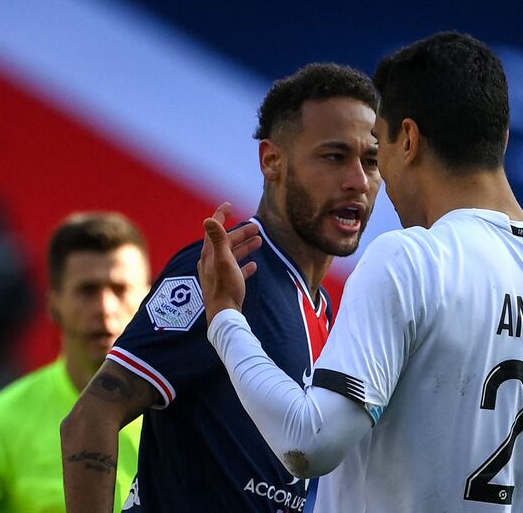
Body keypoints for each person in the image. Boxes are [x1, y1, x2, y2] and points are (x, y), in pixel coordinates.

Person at [200, 31, 523, 513]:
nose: (372, 177)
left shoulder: (413, 260)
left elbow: (309, 443)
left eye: (376, 147)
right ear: (501, 138)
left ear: (408, 139)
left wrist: (225, 320)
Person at [60, 63, 382, 513]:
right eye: (334, 157)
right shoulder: (222, 271)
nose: (358, 181)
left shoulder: (326, 309)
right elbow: (90, 417)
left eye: (371, 160)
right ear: (272, 161)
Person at [0, 212, 150, 513]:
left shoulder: (187, 420)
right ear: (53, 305)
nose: (105, 309)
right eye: (87, 290)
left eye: (120, 290)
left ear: (148, 299)